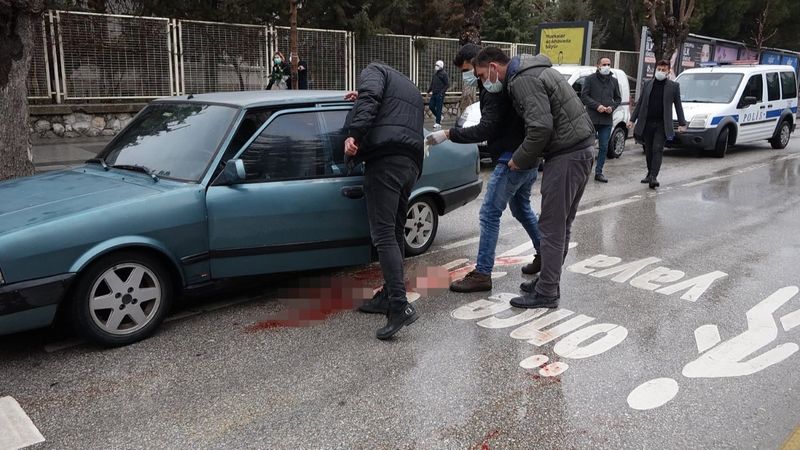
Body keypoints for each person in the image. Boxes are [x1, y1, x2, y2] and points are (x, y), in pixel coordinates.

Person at [472, 47, 595, 310]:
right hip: (580, 148)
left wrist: (520, 159)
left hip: (566, 153)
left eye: (482, 75)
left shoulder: (522, 80)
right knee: (561, 224)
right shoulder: (534, 68)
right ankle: (548, 281)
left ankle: (547, 292)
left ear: (494, 67)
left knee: (551, 226)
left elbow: (540, 127)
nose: (483, 81)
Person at [426, 43, 542, 292]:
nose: (470, 77)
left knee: (489, 213)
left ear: (482, 64)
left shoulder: (494, 85)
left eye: (471, 71)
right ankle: (545, 252)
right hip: (526, 154)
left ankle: (482, 273)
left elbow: (487, 127)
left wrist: (449, 134)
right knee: (521, 208)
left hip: (512, 157)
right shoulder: (497, 80)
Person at [344, 62, 424, 340]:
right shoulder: (408, 86)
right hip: (411, 164)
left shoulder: (372, 71)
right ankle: (389, 294)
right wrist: (364, 96)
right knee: (395, 231)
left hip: (386, 161)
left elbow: (371, 98)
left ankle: (399, 306)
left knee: (384, 236)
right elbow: (384, 105)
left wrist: (353, 133)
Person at [628, 59, 687, 189]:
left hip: (662, 124)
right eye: (659, 69)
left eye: (663, 70)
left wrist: (682, 123)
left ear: (668, 72)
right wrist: (632, 119)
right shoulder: (648, 84)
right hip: (647, 123)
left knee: (657, 149)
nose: (660, 72)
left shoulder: (673, 87)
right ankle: (649, 173)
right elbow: (641, 103)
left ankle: (654, 177)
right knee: (648, 150)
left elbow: (678, 106)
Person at [581, 57, 621, 183]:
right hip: (592, 119)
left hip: (606, 120)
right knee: (588, 147)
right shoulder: (590, 79)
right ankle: (584, 172)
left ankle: (599, 172)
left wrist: (612, 107)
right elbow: (584, 96)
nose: (606, 66)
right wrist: (596, 106)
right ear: (598, 65)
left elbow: (618, 99)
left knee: (603, 147)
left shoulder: (614, 81)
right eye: (604, 64)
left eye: (609, 64)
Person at [427, 60, 449, 128]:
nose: (436, 66)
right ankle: (439, 117)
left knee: (439, 108)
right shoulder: (435, 74)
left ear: (441, 66)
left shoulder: (444, 74)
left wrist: (441, 93)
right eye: (435, 65)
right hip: (434, 93)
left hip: (439, 94)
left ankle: (438, 123)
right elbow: (432, 84)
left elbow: (447, 84)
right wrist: (428, 91)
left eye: (437, 65)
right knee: (431, 106)